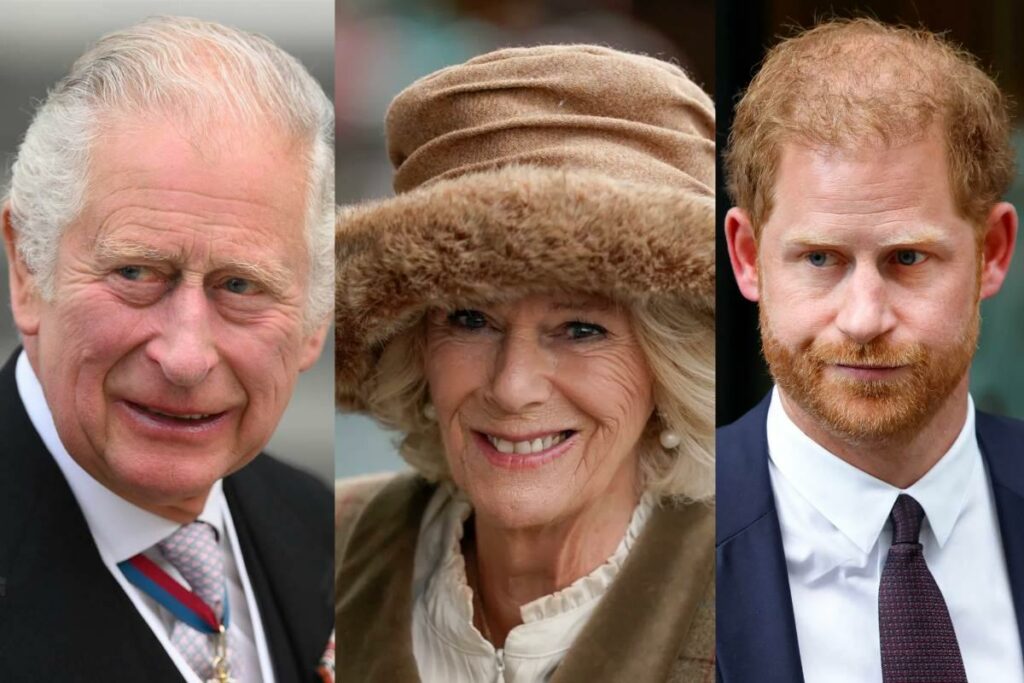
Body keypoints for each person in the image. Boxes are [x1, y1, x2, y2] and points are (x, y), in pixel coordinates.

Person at [335, 45, 715, 682]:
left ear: (668, 366)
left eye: (581, 329)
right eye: (469, 319)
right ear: (415, 348)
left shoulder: (773, 594)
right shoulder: (313, 549)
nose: (513, 388)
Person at [0, 17, 334, 681]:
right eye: (137, 273)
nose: (186, 357)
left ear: (316, 316)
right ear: (27, 269)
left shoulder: (330, 533)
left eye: (240, 285)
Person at [718, 18, 1022, 683]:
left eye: (908, 258)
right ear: (747, 258)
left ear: (992, 252)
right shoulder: (653, 544)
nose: (863, 318)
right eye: (820, 258)